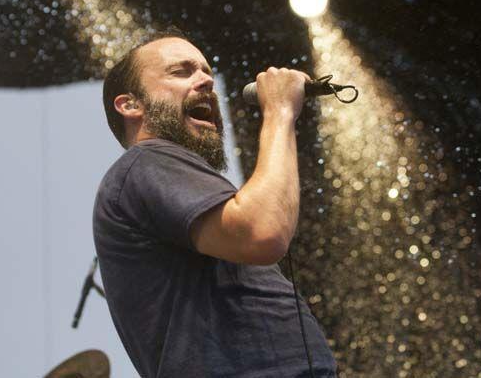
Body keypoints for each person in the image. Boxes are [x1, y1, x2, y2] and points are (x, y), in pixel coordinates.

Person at [93, 28, 336, 377]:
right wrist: (280, 112)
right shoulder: (145, 163)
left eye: (207, 71)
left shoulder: (169, 176)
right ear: (130, 104)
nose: (206, 81)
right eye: (182, 71)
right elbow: (262, 232)